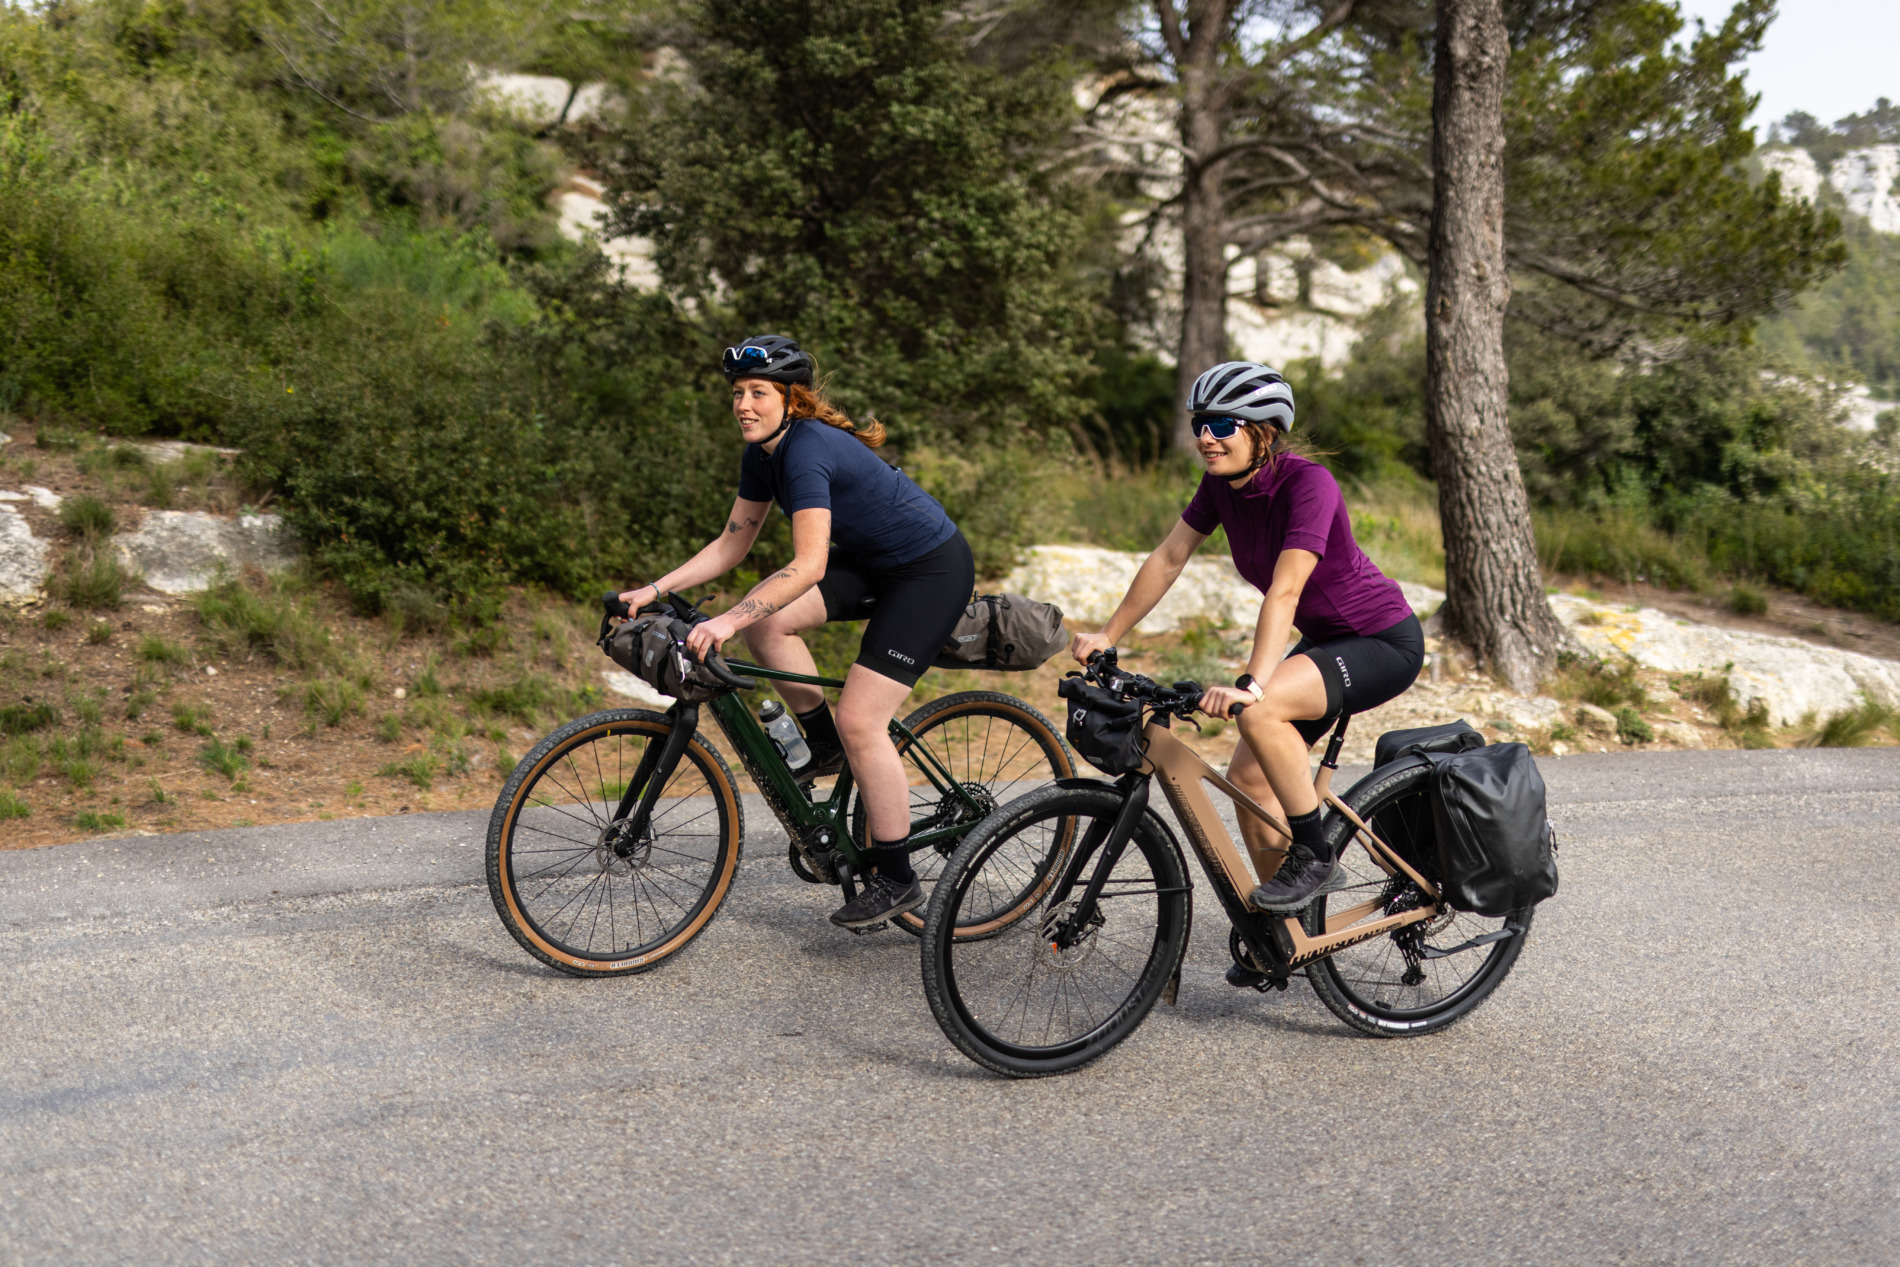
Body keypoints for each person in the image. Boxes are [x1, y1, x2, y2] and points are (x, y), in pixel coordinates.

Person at [1070, 361, 1423, 981]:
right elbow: (1170, 556)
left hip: (1380, 639)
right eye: (1201, 424)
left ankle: (1314, 851)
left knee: (1259, 711)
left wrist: (1251, 683)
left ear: (1265, 431)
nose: (1207, 437)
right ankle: (1283, 929)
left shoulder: (1308, 484)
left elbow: (1284, 593)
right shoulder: (1221, 486)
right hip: (1326, 641)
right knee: (1249, 780)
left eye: (1224, 424)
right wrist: (1108, 633)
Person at [619, 335, 976, 930]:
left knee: (863, 718)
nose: (744, 405)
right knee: (772, 627)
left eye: (759, 392)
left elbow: (808, 566)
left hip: (930, 570)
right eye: (737, 393)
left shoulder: (807, 450)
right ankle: (824, 742)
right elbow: (734, 543)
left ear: (792, 399)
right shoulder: (762, 454)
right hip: (873, 562)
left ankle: (896, 875)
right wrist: (653, 589)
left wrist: (729, 618)